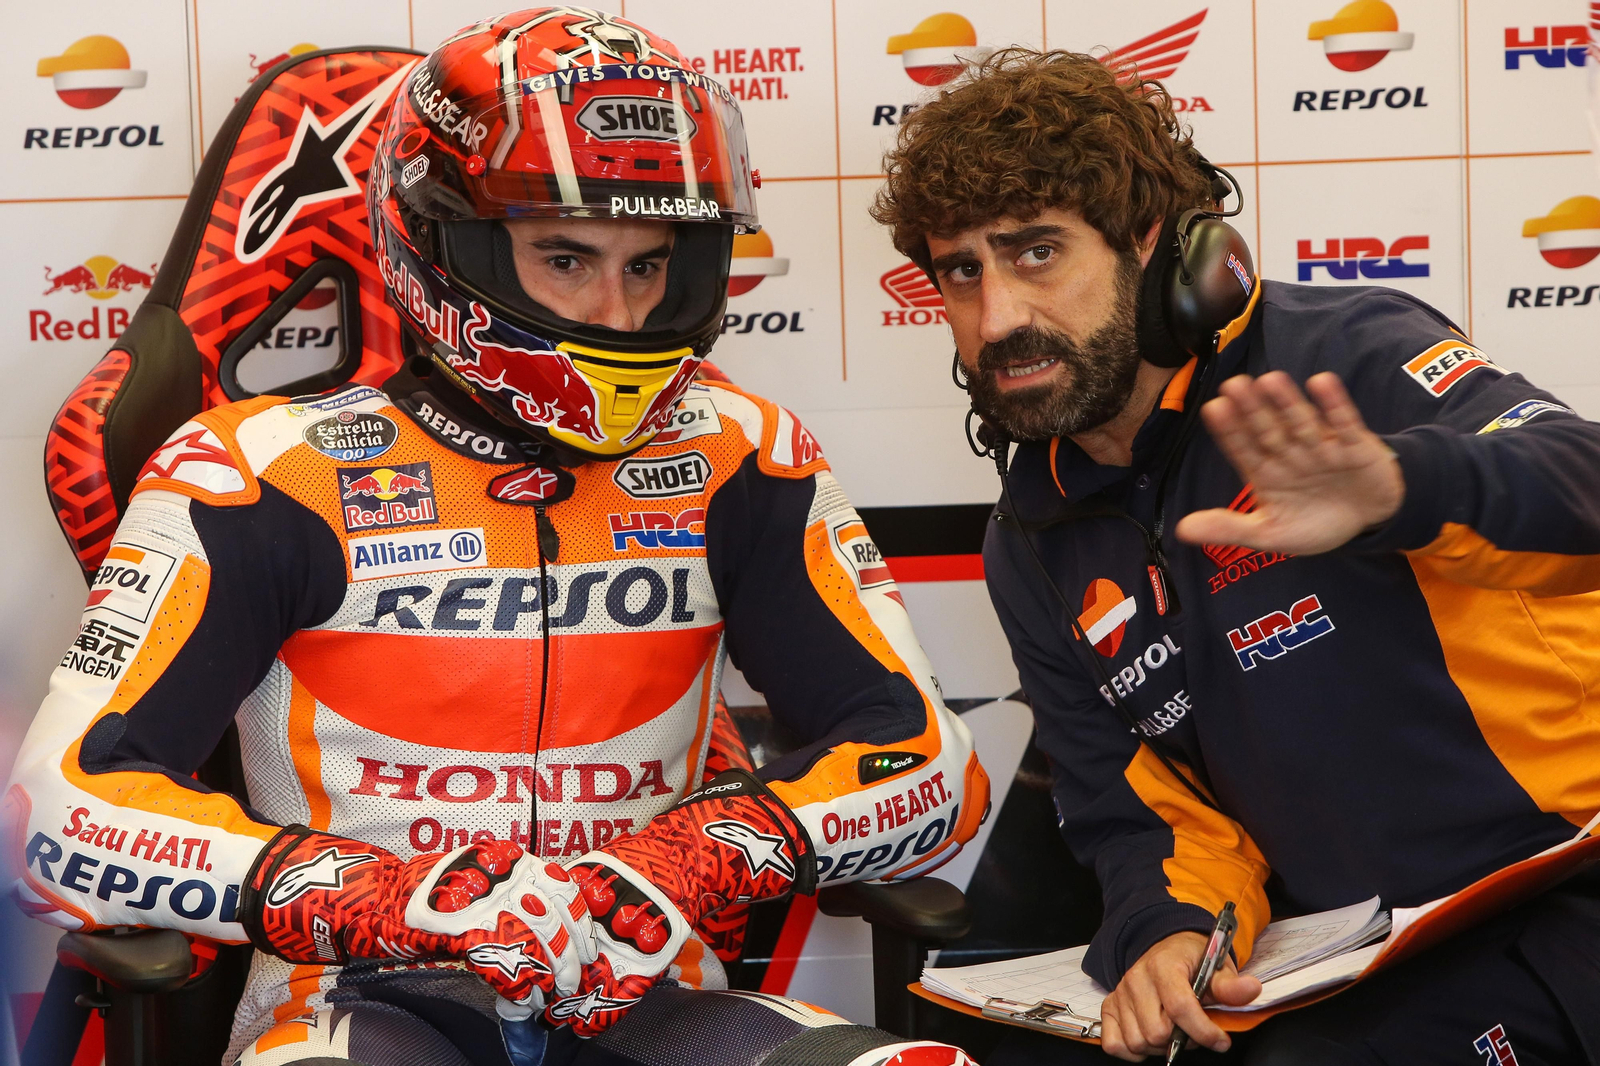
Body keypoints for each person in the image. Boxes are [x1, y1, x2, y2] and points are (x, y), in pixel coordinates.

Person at [5, 11, 990, 1066]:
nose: (617, 312)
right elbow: (58, 808)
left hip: (648, 991)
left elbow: (932, 764)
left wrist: (703, 855)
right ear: (439, 244)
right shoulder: (257, 469)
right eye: (567, 256)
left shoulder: (740, 452)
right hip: (359, 999)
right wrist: (372, 897)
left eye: (651, 264)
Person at [871, 47, 1600, 1066]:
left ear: (1160, 252)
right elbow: (1140, 817)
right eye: (961, 270)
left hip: (1558, 880)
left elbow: (1582, 484)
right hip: (1359, 957)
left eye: (1036, 252)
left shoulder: (1339, 356)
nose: (996, 319)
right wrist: (1167, 929)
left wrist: (1399, 487)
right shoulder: (1030, 539)